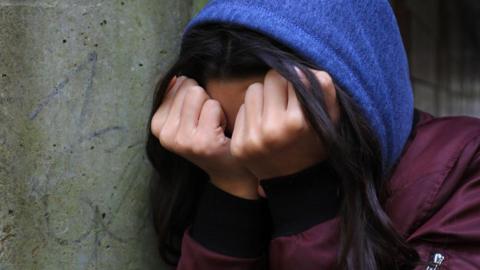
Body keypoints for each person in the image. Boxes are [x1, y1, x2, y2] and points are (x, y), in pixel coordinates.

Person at [145, 0, 480, 269]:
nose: (257, 151)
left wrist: (302, 190)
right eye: (234, 135)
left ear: (360, 106)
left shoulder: (467, 169)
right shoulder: (225, 182)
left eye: (294, 133)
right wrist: (229, 196)